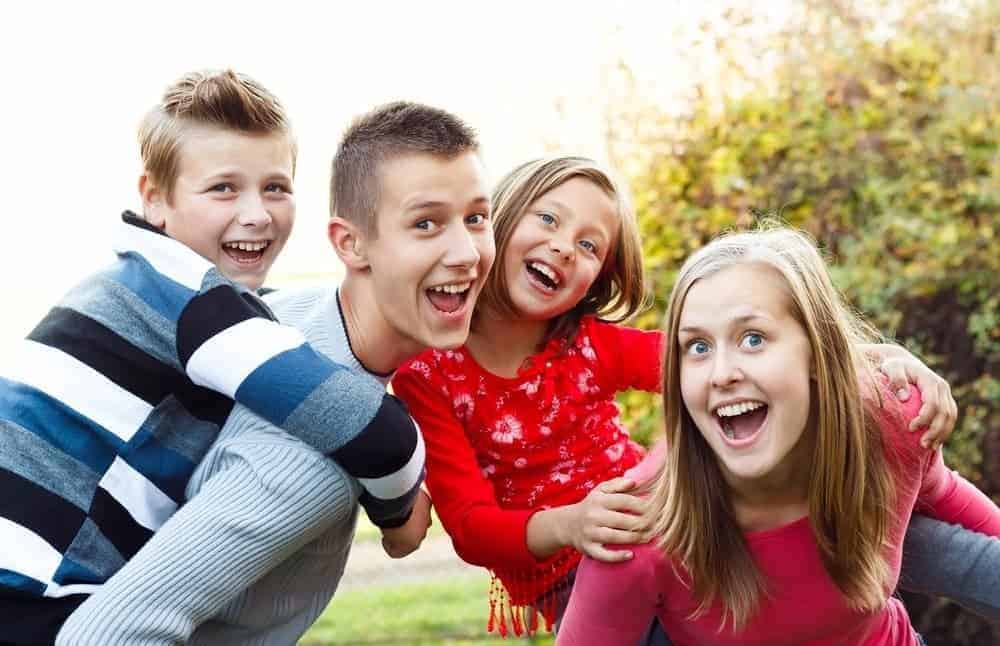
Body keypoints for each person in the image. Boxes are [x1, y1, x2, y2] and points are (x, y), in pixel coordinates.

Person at [391, 157, 972, 637]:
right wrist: (572, 523)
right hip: (576, 576)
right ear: (502, 218)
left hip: (670, 530)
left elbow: (728, 357)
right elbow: (470, 526)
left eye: (590, 245)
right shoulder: (430, 375)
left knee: (882, 554)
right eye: (549, 219)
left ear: (601, 277)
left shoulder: (591, 347)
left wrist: (877, 360)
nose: (565, 247)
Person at [0, 71, 424, 644]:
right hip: (32, 595)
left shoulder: (127, 280)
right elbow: (373, 429)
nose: (256, 214)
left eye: (275, 187)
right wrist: (400, 514)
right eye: (224, 188)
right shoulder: (193, 306)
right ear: (155, 198)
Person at [557, 225, 1000, 645]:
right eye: (697, 347)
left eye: (753, 339)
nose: (722, 374)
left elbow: (948, 500)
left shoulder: (892, 422)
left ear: (817, 353)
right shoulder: (634, 532)